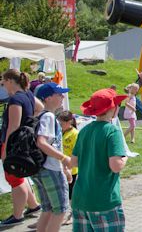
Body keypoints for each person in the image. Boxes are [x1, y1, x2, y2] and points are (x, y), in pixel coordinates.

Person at [72, 89, 128, 232]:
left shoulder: (84, 130)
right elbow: (115, 166)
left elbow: (74, 162)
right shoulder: (112, 131)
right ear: (113, 109)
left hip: (81, 199)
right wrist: (125, 157)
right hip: (103, 200)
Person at [0, 69, 42, 227]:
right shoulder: (28, 94)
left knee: (14, 178)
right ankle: (33, 205)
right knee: (19, 175)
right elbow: (40, 106)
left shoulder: (15, 99)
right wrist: (30, 123)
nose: (2, 85)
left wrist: (6, 150)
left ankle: (17, 216)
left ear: (10, 81)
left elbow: (13, 126)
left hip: (14, 144)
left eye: (3, 82)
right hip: (24, 142)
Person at [32, 83, 72, 232]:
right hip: (50, 169)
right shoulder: (48, 116)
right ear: (48, 98)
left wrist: (64, 168)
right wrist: (64, 159)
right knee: (60, 209)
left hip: (41, 168)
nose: (62, 97)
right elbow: (41, 143)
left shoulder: (39, 115)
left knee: (47, 209)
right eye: (59, 94)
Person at [58, 111, 78, 226]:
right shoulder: (60, 132)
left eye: (62, 122)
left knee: (71, 194)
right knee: (62, 193)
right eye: (59, 122)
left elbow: (76, 152)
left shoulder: (75, 134)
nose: (60, 124)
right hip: (60, 168)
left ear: (69, 121)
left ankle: (73, 215)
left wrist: (69, 167)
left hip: (71, 169)